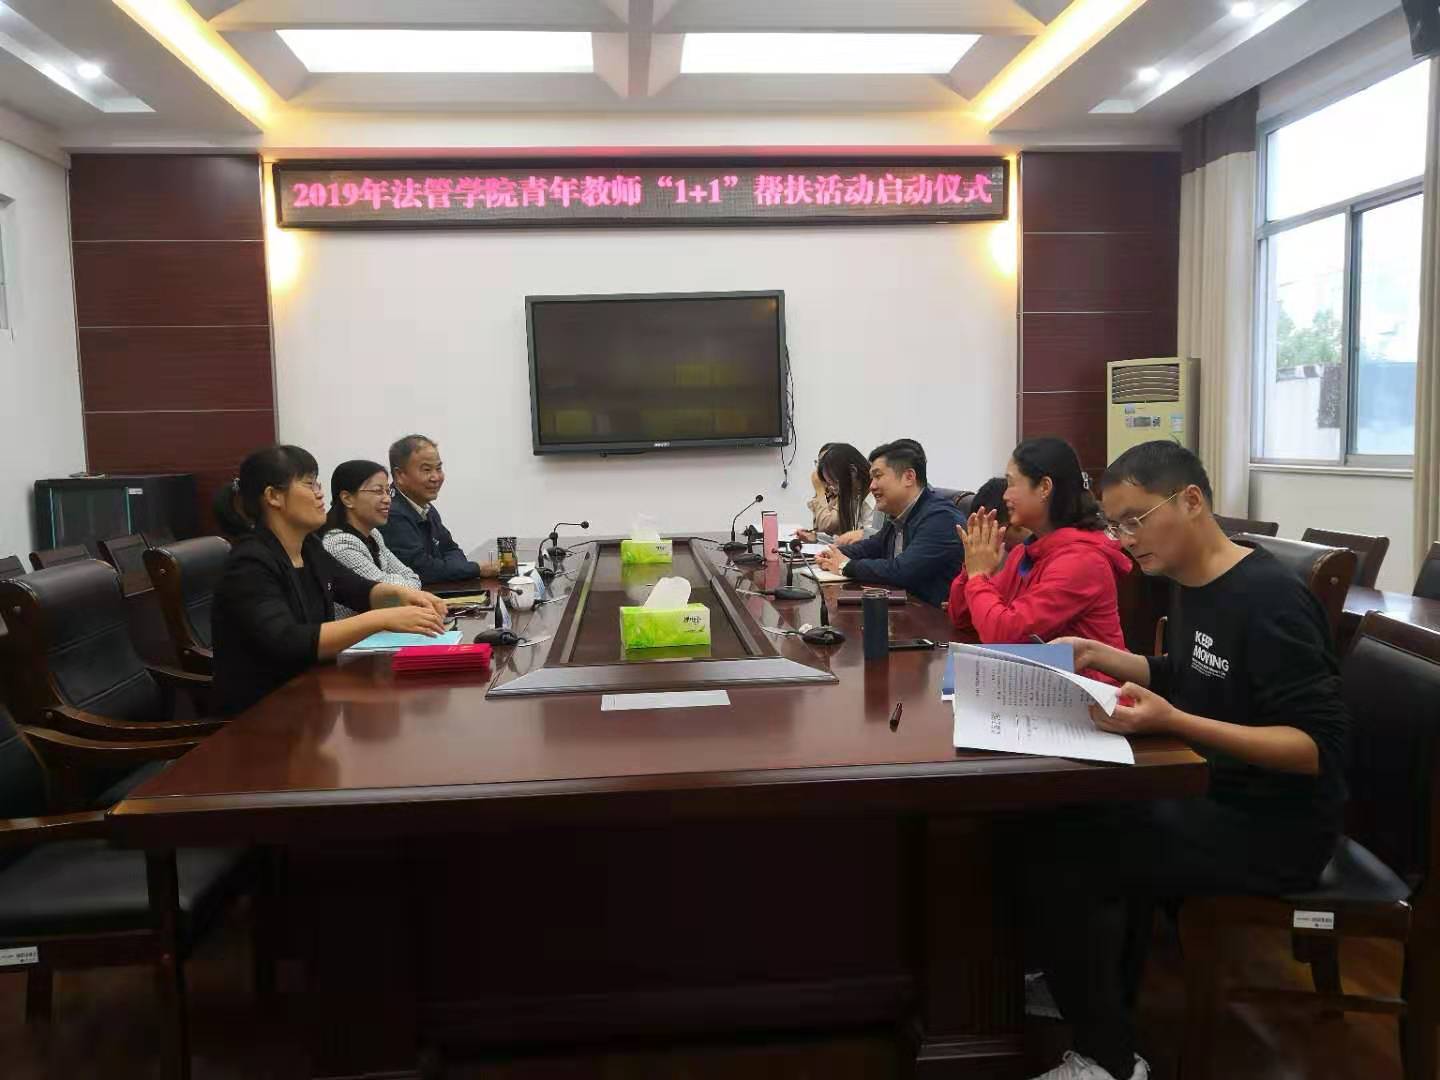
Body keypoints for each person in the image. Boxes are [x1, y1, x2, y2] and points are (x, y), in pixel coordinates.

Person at [1024, 440, 1349, 1080]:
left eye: (1135, 520)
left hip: (1277, 826)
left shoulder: (1271, 599)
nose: (1124, 540)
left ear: (1192, 500)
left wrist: (1173, 721)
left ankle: (1110, 1058)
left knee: (1074, 848)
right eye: (1114, 524)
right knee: (1059, 814)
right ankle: (1085, 984)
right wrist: (1110, 657)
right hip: (1213, 789)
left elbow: (1315, 749)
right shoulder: (1190, 580)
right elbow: (1197, 673)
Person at [212, 445, 449, 717]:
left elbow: (357, 589)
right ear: (273, 496)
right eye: (309, 484)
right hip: (263, 714)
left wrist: (405, 596)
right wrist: (382, 618)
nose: (320, 493)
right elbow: (287, 641)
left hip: (310, 697)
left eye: (318, 483)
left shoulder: (309, 548)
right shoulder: (249, 564)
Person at [948, 438, 1129, 668]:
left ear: (1044, 487)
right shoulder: (1025, 552)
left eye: (1011, 484)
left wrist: (978, 576)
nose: (1005, 496)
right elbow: (963, 618)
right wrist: (972, 565)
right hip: (1042, 681)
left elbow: (1004, 636)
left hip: (1088, 688)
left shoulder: (1082, 561)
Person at [813, 439, 965, 607]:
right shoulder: (900, 514)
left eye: (878, 476)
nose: (871, 486)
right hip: (904, 609)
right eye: (871, 478)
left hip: (931, 617)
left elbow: (902, 570)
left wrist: (845, 565)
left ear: (909, 477)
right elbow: (873, 546)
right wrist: (833, 554)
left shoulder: (940, 518)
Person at [380, 434, 499, 586]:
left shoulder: (425, 506)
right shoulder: (391, 513)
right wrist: (476, 569)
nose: (435, 477)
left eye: (438, 468)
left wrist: (458, 568)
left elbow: (451, 549)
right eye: (426, 470)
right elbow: (423, 570)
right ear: (400, 475)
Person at [321, 459, 422, 618]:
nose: (387, 499)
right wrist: (397, 585)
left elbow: (412, 578)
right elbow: (386, 595)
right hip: (355, 633)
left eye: (388, 491)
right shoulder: (339, 544)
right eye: (378, 491)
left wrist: (395, 584)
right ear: (347, 498)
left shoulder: (373, 535)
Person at [799, 442, 877, 546]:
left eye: (835, 483)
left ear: (853, 471)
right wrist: (816, 538)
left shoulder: (874, 500)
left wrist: (819, 491)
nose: (835, 490)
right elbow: (847, 542)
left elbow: (870, 545)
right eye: (830, 484)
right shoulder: (855, 497)